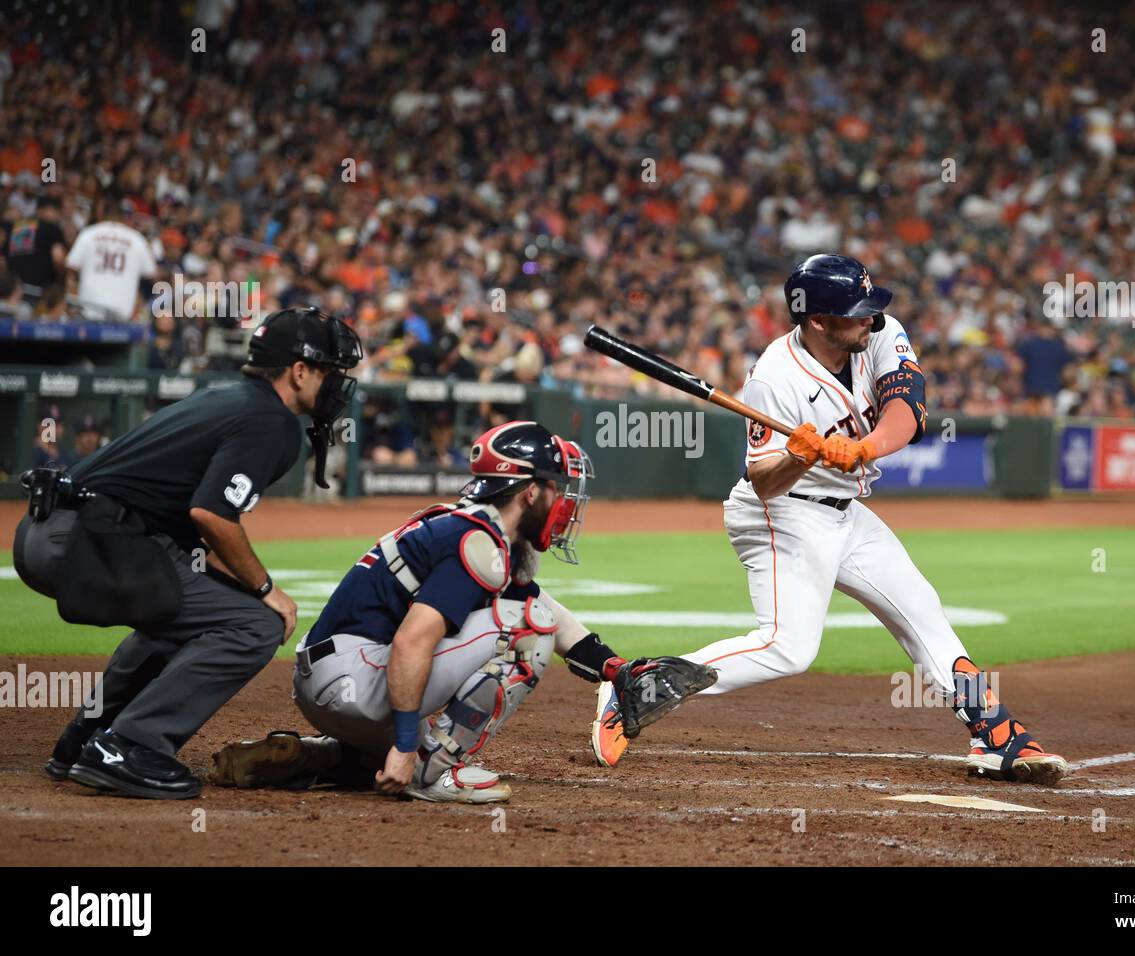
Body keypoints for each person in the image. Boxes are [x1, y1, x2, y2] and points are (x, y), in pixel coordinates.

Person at [591, 255, 1069, 785]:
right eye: (856, 312)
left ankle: (993, 732)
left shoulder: (880, 334)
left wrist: (861, 449)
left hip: (847, 511)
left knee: (923, 612)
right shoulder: (773, 378)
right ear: (819, 320)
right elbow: (765, 481)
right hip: (781, 514)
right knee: (788, 648)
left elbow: (907, 409)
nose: (871, 318)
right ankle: (636, 686)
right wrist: (799, 455)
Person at [211, 421, 715, 802]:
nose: (564, 502)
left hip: (334, 679)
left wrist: (614, 669)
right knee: (528, 633)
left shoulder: (475, 529)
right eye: (557, 488)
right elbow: (413, 641)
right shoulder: (478, 543)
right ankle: (435, 770)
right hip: (354, 681)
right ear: (530, 491)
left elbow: (532, 601)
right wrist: (409, 746)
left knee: (526, 613)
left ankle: (320, 755)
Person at [12, 306, 362, 799]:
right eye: (330, 371)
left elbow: (199, 530)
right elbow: (212, 516)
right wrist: (267, 591)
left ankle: (85, 740)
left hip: (55, 531)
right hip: (90, 540)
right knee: (255, 624)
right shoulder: (271, 421)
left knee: (196, 609)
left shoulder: (228, 397)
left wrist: (243, 585)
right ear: (300, 370)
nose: (336, 385)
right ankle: (131, 746)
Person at [65, 199, 158, 321]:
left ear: (102, 214)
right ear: (122, 217)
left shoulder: (89, 233)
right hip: (122, 313)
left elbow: (71, 266)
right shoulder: (137, 239)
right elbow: (152, 274)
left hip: (89, 310)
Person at [3, 195, 66, 294]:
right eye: (59, 213)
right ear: (50, 209)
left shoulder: (19, 226)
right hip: (40, 289)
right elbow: (58, 257)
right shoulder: (53, 228)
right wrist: (62, 279)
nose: (59, 218)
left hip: (13, 288)